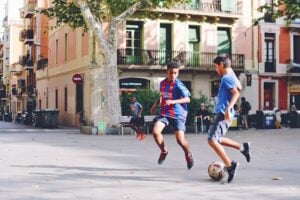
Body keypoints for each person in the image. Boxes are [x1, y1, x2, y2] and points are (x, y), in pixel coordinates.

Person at [208, 54, 251, 183]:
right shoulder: (230, 75)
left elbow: (236, 92)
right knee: (218, 138)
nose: (216, 70)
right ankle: (243, 147)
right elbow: (240, 87)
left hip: (223, 113)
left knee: (212, 140)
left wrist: (228, 107)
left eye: (216, 67)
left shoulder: (226, 78)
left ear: (221, 65)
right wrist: (230, 69)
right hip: (225, 113)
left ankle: (230, 165)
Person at [150, 61, 194, 169]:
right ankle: (164, 151)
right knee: (155, 132)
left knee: (180, 141)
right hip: (164, 113)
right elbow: (162, 95)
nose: (173, 75)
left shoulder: (179, 85)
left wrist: (173, 101)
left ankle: (188, 154)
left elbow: (188, 99)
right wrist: (155, 104)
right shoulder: (163, 83)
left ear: (178, 73)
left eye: (175, 73)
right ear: (167, 72)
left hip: (178, 115)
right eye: (171, 73)